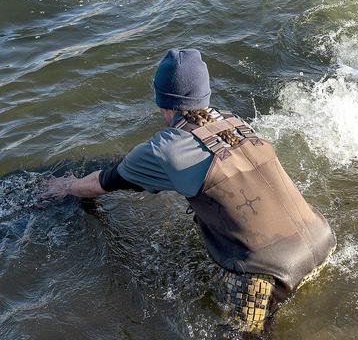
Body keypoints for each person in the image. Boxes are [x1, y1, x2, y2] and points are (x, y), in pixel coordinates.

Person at [42, 48, 336, 335]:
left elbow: (101, 183)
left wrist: (65, 186)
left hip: (268, 270)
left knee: (241, 333)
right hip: (322, 240)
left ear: (163, 102)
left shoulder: (164, 148)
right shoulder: (235, 123)